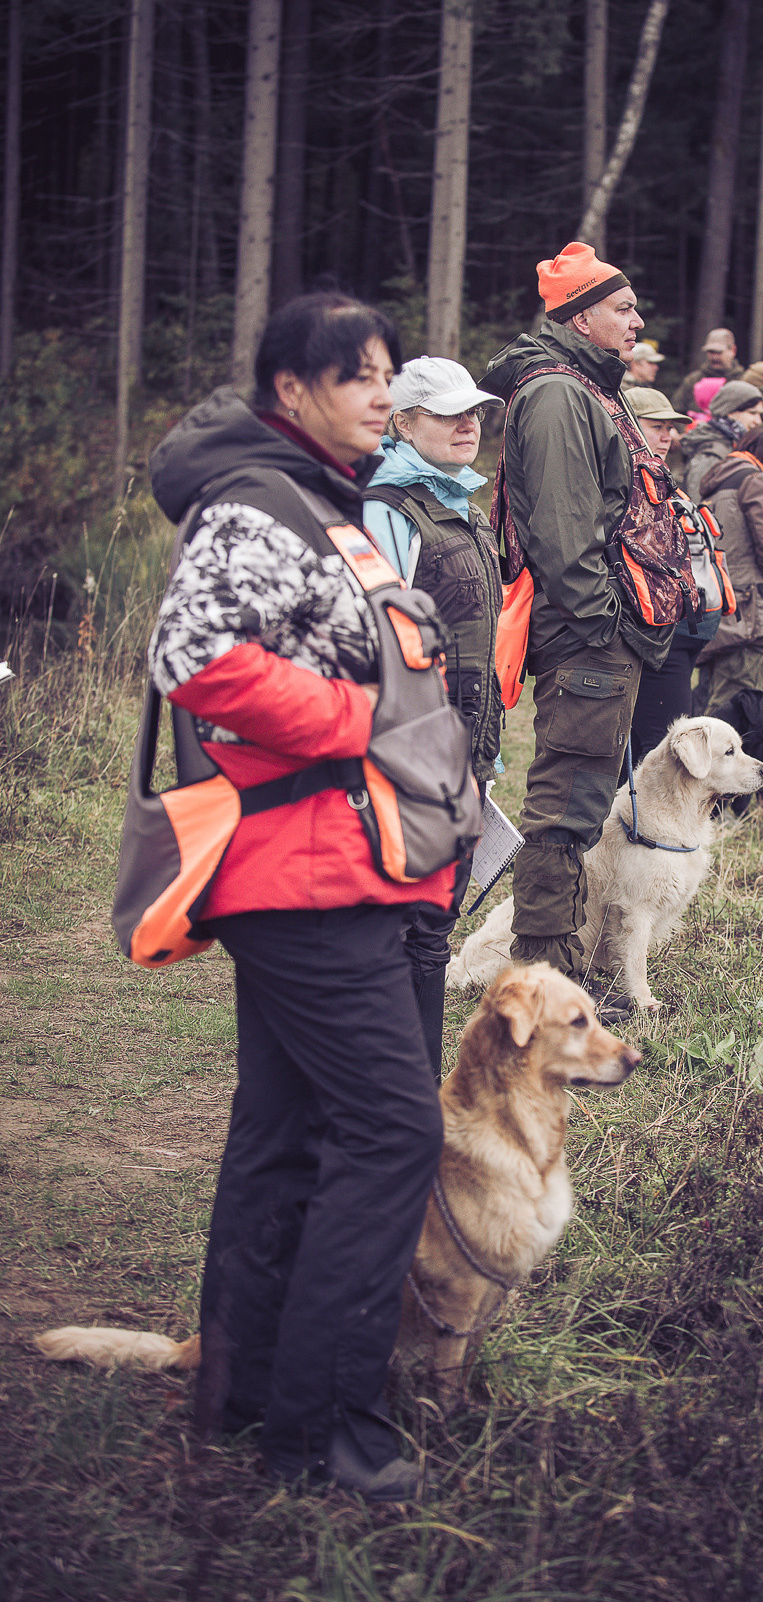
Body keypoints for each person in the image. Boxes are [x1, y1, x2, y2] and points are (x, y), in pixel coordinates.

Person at [145, 293, 459, 1499]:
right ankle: (325, 1430)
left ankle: (244, 1395)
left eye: (386, 372)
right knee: (392, 1130)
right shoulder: (255, 504)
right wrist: (355, 721)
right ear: (292, 391)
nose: (383, 394)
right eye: (358, 376)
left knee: (285, 1134)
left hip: (339, 862)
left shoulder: (322, 500)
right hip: (303, 871)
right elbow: (194, 655)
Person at [485, 243, 692, 1001]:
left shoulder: (588, 389)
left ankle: (563, 968)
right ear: (579, 317)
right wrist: (604, 625)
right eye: (622, 308)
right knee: (566, 809)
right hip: (589, 638)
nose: (637, 321)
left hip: (601, 637)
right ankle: (543, 979)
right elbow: (563, 532)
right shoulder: (556, 396)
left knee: (582, 803)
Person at [363, 355, 504, 1078]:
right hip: (412, 753)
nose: (466, 423)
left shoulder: (462, 505)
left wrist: (486, 759)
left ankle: (411, 1090)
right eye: (447, 413)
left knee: (432, 926)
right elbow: (378, 642)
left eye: (471, 411)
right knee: (408, 927)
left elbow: (477, 646)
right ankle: (397, 1090)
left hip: (463, 752)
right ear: (403, 422)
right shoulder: (388, 509)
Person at [623, 387, 715, 763]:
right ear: (628, 427)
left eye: (670, 428)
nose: (667, 436)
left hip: (684, 630)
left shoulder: (661, 481)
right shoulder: (625, 482)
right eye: (656, 426)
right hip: (658, 634)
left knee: (647, 739)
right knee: (663, 745)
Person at [695, 425, 763, 714]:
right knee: (738, 704)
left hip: (715, 601)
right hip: (746, 610)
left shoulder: (717, 481)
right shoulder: (756, 480)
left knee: (710, 696)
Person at [680, 377, 763, 502]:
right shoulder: (712, 452)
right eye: (752, 413)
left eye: (760, 414)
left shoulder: (732, 443)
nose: (758, 421)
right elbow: (698, 502)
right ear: (730, 411)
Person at [673, 327, 743, 420]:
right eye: (711, 352)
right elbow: (677, 411)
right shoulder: (693, 380)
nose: (714, 357)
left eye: (719, 352)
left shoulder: (743, 380)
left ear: (733, 350)